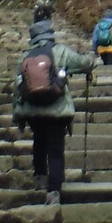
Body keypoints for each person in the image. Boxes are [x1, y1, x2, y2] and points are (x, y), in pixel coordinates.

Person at [12, 19, 95, 205]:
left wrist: (17, 113)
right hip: (57, 110)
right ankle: (54, 192)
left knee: (39, 142)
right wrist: (91, 62)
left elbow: (18, 86)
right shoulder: (60, 51)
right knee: (56, 151)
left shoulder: (25, 55)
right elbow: (83, 63)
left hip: (32, 110)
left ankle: (40, 177)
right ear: (50, 34)